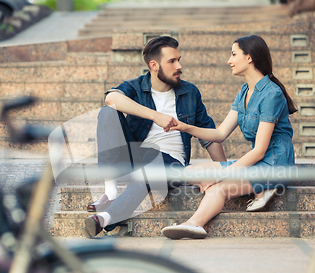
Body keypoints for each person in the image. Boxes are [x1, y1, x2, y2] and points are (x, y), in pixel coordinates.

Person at [82, 36, 226, 237]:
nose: (179, 65)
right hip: (137, 156)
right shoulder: (137, 86)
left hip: (170, 163)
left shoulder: (190, 92)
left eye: (179, 59)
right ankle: (111, 192)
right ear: (154, 65)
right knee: (107, 112)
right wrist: (155, 115)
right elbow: (111, 98)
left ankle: (104, 219)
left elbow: (208, 135)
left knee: (155, 163)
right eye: (172, 61)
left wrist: (228, 171)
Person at [161, 35, 297, 240]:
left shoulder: (272, 94)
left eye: (234, 54)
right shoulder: (245, 91)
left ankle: (194, 225)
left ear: (249, 58)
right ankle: (260, 188)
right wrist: (185, 127)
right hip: (256, 162)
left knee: (219, 188)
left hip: (274, 164)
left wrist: (223, 174)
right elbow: (220, 133)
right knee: (187, 172)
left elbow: (260, 150)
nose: (229, 60)